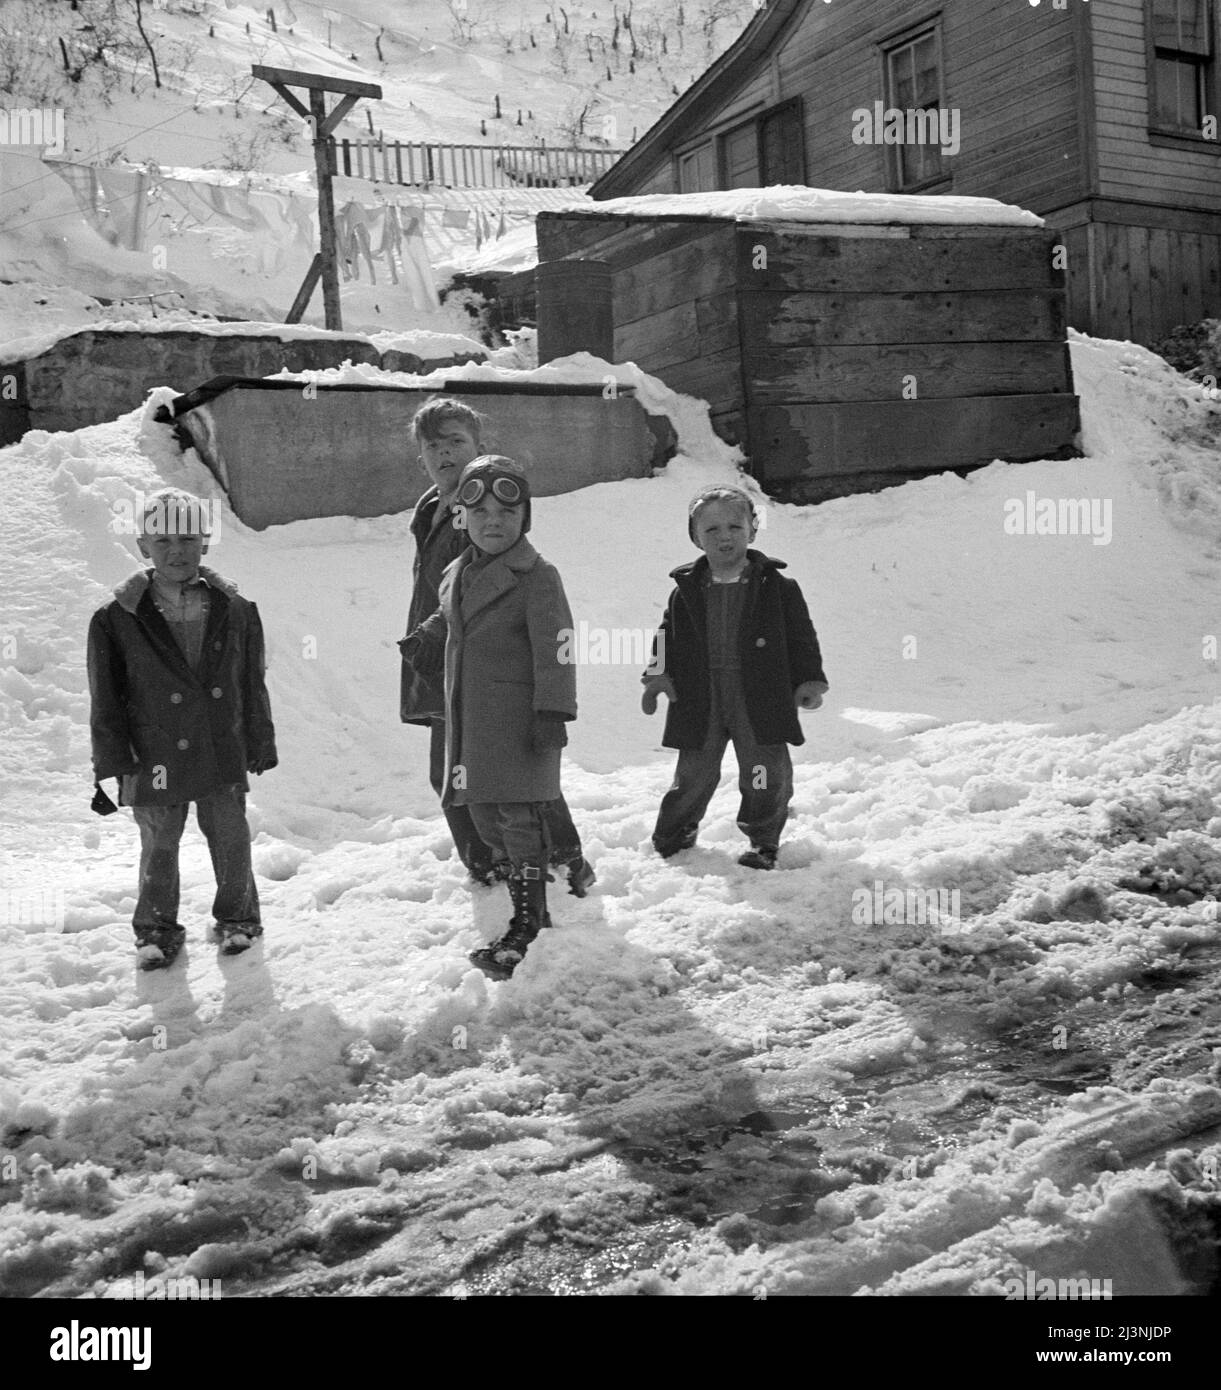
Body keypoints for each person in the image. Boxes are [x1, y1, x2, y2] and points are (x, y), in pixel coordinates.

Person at [399, 397, 594, 895]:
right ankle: (493, 860)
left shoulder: (485, 510)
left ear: (479, 447)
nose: (444, 455)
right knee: (457, 771)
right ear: (420, 457)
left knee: (509, 771)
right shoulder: (430, 507)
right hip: (440, 657)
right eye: (432, 447)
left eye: (456, 442)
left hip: (484, 666)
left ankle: (544, 859)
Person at [87, 488, 277, 970]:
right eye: (164, 539)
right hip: (153, 753)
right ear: (143, 546)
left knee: (231, 835)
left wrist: (259, 740)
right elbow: (105, 697)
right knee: (159, 844)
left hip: (220, 745)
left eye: (188, 538)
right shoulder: (115, 617)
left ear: (205, 543)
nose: (177, 550)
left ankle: (239, 919)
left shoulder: (236, 608)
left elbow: (250, 681)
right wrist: (111, 761)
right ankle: (155, 930)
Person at [401, 457, 577, 978]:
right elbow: (453, 609)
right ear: (462, 519)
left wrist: (554, 710)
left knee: (517, 819)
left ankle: (529, 919)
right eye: (480, 513)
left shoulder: (538, 576)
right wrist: (430, 634)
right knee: (483, 815)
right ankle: (548, 873)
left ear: (525, 516)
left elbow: (558, 648)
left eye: (507, 510)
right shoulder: (459, 569)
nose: (493, 521)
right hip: (470, 718)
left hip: (521, 721)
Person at [641, 484, 828, 870]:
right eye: (711, 530)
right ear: (695, 537)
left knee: (762, 771)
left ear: (752, 530)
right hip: (701, 696)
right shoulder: (687, 589)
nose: (724, 537)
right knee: (693, 772)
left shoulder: (776, 587)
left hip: (757, 696)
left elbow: (801, 635)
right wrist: (658, 673)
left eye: (734, 527)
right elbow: (666, 635)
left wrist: (809, 679)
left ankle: (763, 840)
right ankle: (674, 835)